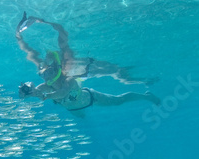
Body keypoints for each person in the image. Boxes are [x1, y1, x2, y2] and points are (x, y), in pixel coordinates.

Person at [15, 12, 160, 117]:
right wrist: (27, 93)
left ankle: (146, 96)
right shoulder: (45, 87)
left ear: (56, 71)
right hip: (73, 109)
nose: (45, 75)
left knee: (118, 101)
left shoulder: (69, 79)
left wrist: (42, 20)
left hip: (91, 99)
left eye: (48, 72)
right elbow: (33, 95)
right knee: (83, 120)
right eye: (43, 73)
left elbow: (63, 92)